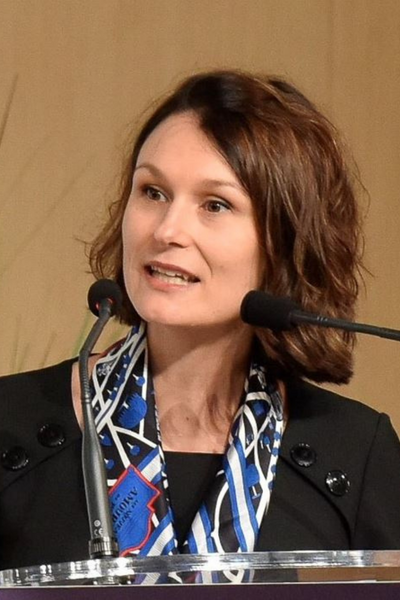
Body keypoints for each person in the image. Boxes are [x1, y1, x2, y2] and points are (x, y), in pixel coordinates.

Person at [1, 70, 400, 571]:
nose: (168, 230)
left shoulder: (356, 452)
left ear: (283, 240)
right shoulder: (10, 420)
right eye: (153, 192)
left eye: (215, 204)